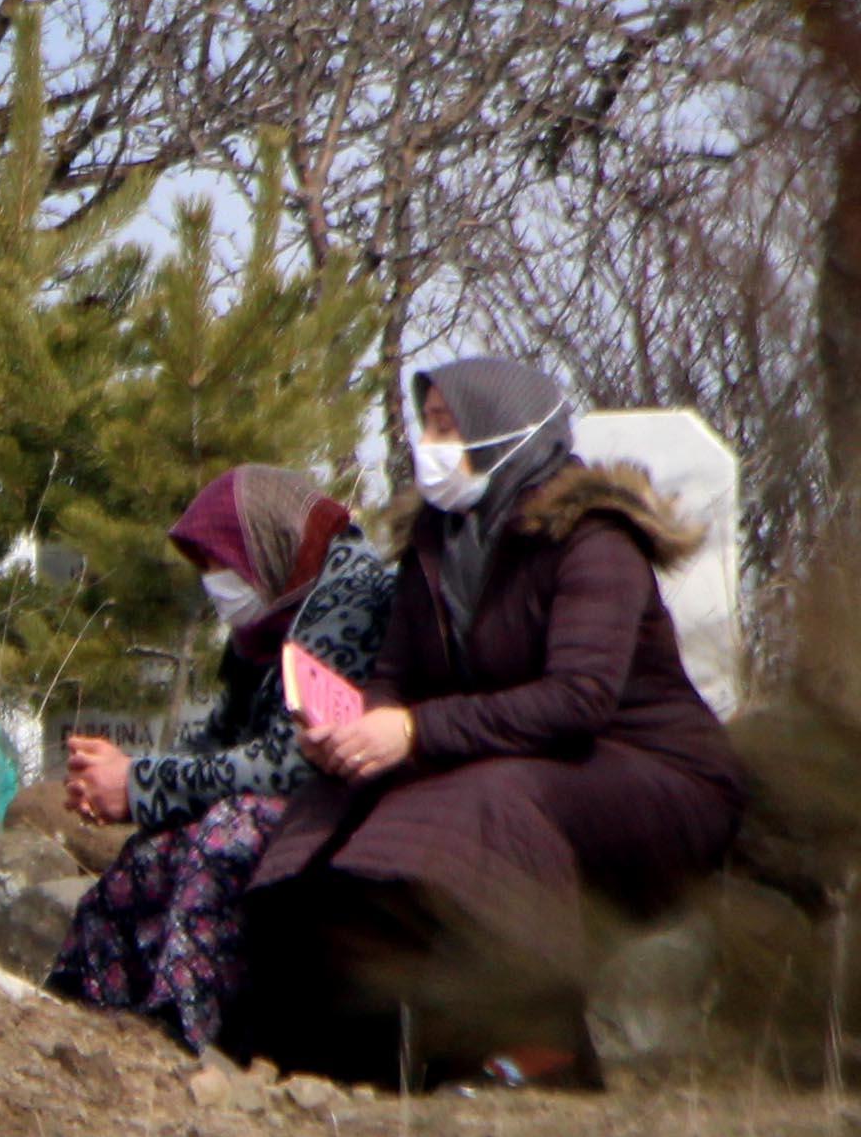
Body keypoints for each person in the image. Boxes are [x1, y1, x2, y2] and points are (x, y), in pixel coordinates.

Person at [227, 360, 741, 1088]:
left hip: (653, 773)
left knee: (484, 809)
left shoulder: (595, 541)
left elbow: (578, 700)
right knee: (329, 814)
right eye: (428, 425)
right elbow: (396, 676)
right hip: (504, 757)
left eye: (447, 426)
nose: (429, 445)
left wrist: (413, 733)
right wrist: (356, 729)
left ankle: (542, 1058)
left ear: (507, 434)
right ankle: (334, 1054)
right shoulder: (434, 545)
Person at [44, 466, 400, 1049]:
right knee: (151, 856)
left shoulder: (350, 600)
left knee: (225, 836)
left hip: (346, 805)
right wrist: (123, 776)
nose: (214, 583)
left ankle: (184, 1036)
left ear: (265, 545)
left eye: (220, 563)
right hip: (285, 803)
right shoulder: (267, 625)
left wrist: (139, 783)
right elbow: (222, 739)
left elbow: (290, 761)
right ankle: (79, 1017)